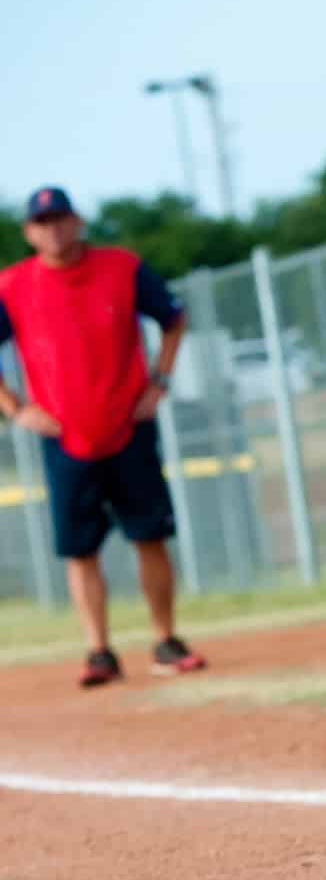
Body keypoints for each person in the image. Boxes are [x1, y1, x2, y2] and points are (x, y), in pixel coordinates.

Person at [0, 186, 206, 687]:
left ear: (79, 222)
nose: (54, 229)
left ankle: (165, 639)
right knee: (80, 549)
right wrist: (14, 409)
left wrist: (158, 381)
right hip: (63, 436)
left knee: (150, 536)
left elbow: (174, 320)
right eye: (43, 222)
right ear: (29, 232)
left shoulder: (122, 267)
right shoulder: (12, 285)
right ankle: (99, 651)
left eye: (61, 218)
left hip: (127, 426)